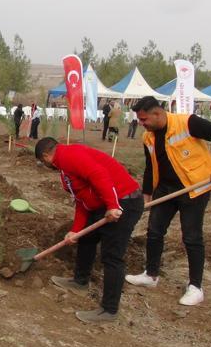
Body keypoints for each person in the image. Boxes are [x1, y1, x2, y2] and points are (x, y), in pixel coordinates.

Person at [125, 96, 211, 306]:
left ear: (158, 113)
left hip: (194, 188)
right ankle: (151, 274)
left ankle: (195, 287)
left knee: (192, 236)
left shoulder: (187, 123)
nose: (142, 124)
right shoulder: (148, 138)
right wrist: (147, 194)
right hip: (165, 190)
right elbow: (150, 167)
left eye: (144, 119)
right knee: (154, 231)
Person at [36, 137, 144, 323]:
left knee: (112, 256)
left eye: (42, 161)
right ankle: (80, 281)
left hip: (123, 202)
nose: (45, 165)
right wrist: (76, 230)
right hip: (104, 203)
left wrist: (112, 205)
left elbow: (99, 174)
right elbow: (82, 200)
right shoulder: (64, 169)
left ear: (46, 156)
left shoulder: (69, 156)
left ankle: (109, 310)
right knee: (86, 238)